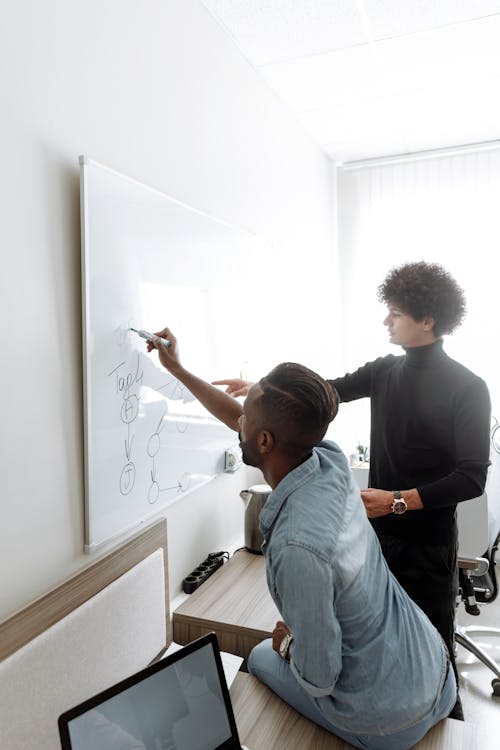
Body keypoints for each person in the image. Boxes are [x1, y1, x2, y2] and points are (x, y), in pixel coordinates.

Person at [146, 328, 456, 750]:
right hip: (435, 671)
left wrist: (289, 644)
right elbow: (246, 423)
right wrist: (179, 370)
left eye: (246, 418)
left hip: (391, 722)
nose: (238, 420)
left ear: (265, 440)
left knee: (258, 655)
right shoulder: (329, 458)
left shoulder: (296, 547)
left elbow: (321, 676)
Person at [213, 261, 492, 720]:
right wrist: (263, 393)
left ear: (428, 320)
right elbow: (324, 392)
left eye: (396, 313)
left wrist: (398, 500)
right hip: (375, 538)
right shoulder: (385, 371)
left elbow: (471, 477)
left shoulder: (468, 387)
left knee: (432, 658)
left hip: (427, 545)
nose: (386, 321)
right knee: (370, 646)